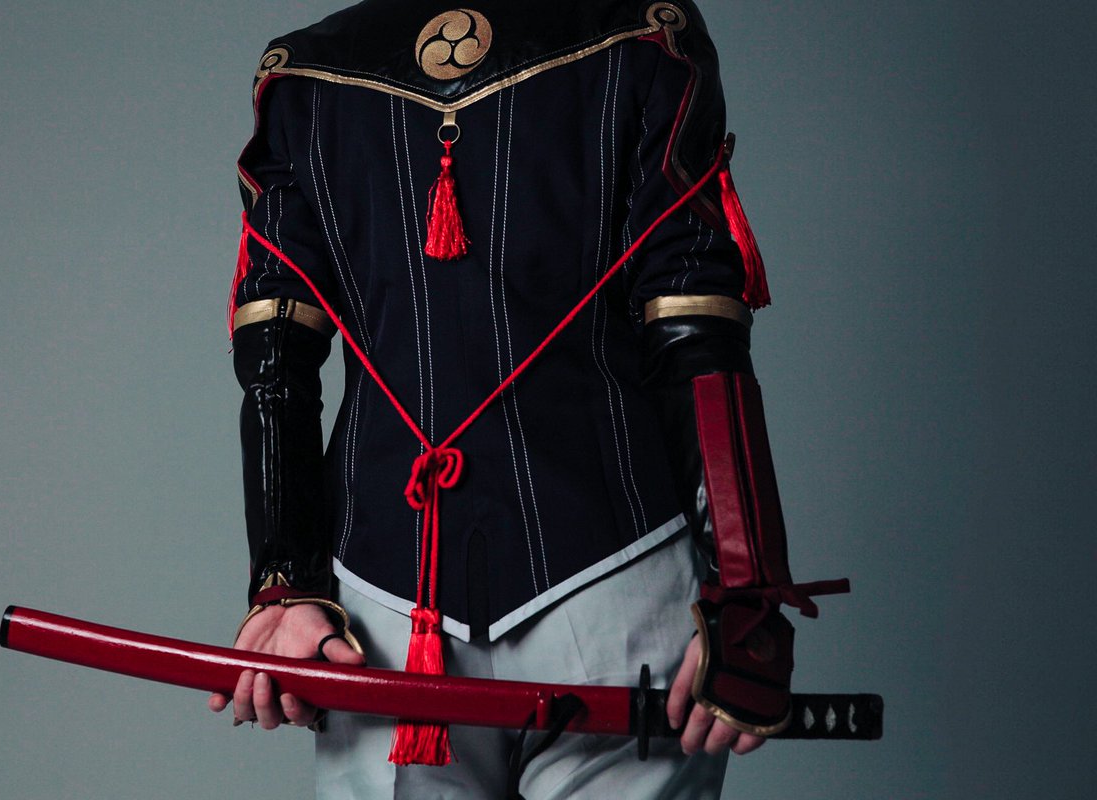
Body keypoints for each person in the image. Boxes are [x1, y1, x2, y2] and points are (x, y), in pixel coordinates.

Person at [207, 1, 844, 796]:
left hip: (403, 597)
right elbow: (695, 328)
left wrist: (284, 583)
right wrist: (745, 589)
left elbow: (274, 358)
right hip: (601, 592)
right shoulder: (645, 35)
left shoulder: (302, 75)